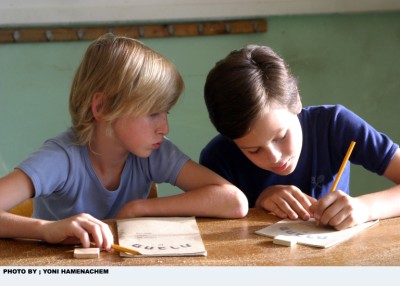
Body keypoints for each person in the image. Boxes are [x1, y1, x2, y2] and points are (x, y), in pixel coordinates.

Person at [0, 34, 248, 251]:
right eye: (153, 113)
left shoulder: (153, 152)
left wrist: (140, 208)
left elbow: (234, 201)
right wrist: (46, 229)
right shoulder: (60, 159)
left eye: (166, 113)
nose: (165, 128)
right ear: (102, 107)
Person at [200, 44, 400, 230]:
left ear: (296, 99)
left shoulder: (334, 125)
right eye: (253, 150)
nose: (274, 158)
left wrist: (365, 208)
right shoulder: (218, 158)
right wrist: (257, 203)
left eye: (280, 137)